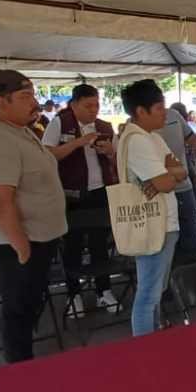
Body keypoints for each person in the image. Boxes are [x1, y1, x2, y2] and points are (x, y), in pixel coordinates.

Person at [0, 70, 67, 363]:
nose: (33, 103)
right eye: (25, 97)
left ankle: (23, 359)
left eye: (32, 95)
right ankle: (19, 368)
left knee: (28, 303)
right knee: (18, 307)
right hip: (19, 242)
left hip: (37, 238)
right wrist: (21, 245)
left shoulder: (19, 130)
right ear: (1, 102)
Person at [118, 79, 186, 336]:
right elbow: (166, 181)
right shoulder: (137, 141)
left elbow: (179, 170)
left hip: (164, 222)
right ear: (140, 111)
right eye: (158, 108)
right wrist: (168, 175)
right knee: (148, 293)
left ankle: (154, 336)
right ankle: (144, 347)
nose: (164, 113)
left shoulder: (153, 137)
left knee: (156, 289)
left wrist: (170, 174)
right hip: (153, 224)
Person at [42, 84, 118, 310]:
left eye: (96, 105)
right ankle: (73, 293)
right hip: (70, 195)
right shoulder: (60, 123)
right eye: (88, 105)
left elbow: (117, 160)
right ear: (74, 105)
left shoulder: (104, 126)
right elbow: (47, 155)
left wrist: (109, 152)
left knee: (99, 244)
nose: (93, 110)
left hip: (99, 191)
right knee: (72, 245)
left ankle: (104, 290)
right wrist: (78, 143)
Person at [158, 100, 196, 256]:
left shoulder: (174, 115)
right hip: (159, 192)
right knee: (165, 241)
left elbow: (194, 141)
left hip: (184, 188)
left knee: (191, 235)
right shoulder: (135, 127)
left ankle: (189, 274)